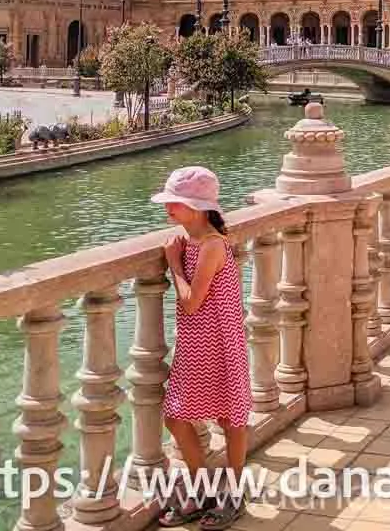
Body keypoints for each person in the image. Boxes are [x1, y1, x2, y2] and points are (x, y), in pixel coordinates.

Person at [152, 167, 251, 529]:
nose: (169, 210)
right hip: (196, 342)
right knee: (177, 417)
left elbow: (192, 302)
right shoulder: (195, 239)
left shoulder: (210, 245)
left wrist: (174, 264)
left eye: (174, 204)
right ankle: (205, 488)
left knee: (228, 418)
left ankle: (233, 494)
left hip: (218, 341)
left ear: (195, 208)